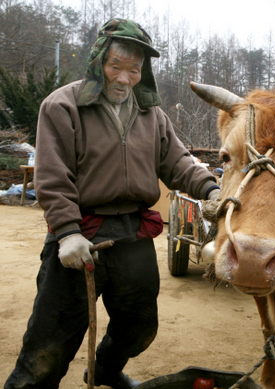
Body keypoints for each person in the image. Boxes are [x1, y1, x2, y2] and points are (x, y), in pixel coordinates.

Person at [5, 18, 220, 389]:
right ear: (97, 62)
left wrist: (211, 190)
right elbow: (52, 175)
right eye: (116, 66)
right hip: (80, 233)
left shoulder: (151, 113)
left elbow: (179, 162)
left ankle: (104, 370)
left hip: (133, 233)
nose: (124, 78)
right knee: (50, 343)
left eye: (134, 69)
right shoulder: (63, 105)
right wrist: (67, 232)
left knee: (139, 328)